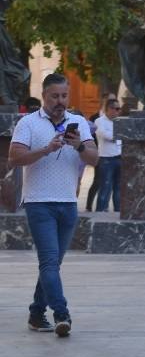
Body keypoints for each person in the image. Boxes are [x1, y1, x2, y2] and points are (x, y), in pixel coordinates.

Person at [8, 72, 97, 335]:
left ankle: (36, 313)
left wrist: (79, 145)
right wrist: (46, 149)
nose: (60, 101)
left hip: (68, 203)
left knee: (52, 265)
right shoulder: (28, 123)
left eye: (64, 96)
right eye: (54, 96)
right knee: (48, 262)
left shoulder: (78, 122)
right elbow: (15, 158)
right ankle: (62, 315)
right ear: (44, 96)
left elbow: (95, 159)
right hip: (39, 203)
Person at [95, 95, 122, 212]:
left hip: (120, 157)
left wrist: (119, 137)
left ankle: (118, 211)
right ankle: (101, 211)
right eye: (115, 108)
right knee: (105, 187)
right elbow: (107, 136)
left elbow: (123, 137)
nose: (117, 111)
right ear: (107, 109)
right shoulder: (99, 121)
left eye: (118, 109)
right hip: (106, 159)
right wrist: (119, 136)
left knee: (119, 188)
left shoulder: (120, 122)